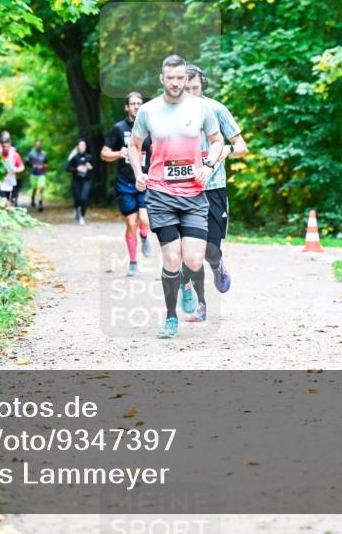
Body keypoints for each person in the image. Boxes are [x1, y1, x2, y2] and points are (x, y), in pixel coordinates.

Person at [129, 54, 223, 339]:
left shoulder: (201, 108)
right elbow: (135, 146)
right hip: (161, 194)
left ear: (186, 78)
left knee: (193, 260)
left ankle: (186, 283)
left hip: (194, 194)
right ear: (162, 79)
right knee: (171, 257)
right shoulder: (148, 111)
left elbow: (218, 141)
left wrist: (209, 165)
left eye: (180, 78)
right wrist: (138, 172)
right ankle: (171, 317)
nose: (175, 83)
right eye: (170, 78)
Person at [178, 64, 248, 318]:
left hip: (214, 188)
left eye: (195, 88)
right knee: (189, 252)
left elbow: (241, 146)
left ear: (202, 86)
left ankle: (218, 267)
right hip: (186, 190)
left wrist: (225, 151)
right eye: (186, 89)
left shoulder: (216, 109)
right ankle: (201, 304)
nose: (190, 94)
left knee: (211, 251)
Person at [101, 92, 154, 277]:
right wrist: (119, 153)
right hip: (125, 183)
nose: (136, 106)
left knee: (145, 220)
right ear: (126, 107)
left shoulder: (150, 128)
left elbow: (158, 152)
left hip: (145, 181)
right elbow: (104, 153)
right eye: (133, 103)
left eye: (140, 103)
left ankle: (145, 236)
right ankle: (133, 262)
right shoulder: (118, 129)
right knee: (131, 223)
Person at [66, 139, 93, 225]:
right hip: (76, 181)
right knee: (77, 198)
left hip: (86, 181)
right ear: (78, 147)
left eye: (84, 145)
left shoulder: (89, 157)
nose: (83, 147)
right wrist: (76, 169)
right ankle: (77, 208)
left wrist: (90, 167)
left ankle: (82, 216)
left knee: (84, 198)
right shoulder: (74, 157)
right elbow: (68, 168)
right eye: (81, 145)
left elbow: (94, 169)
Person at [0, 133, 24, 207]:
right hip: (0, 182)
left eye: (7, 146)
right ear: (1, 146)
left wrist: (15, 169)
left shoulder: (14, 155)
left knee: (9, 204)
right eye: (4, 147)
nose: (5, 148)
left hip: (11, 183)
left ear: (10, 145)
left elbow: (22, 167)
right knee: (3, 202)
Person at [27, 139, 48, 212]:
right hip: (33, 174)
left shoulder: (44, 154)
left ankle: (40, 203)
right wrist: (33, 165)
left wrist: (44, 167)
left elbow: (46, 163)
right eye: (37, 144)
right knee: (34, 188)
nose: (38, 145)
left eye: (40, 144)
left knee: (41, 188)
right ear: (35, 145)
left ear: (41, 145)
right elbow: (27, 162)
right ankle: (33, 199)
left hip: (41, 174)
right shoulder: (31, 154)